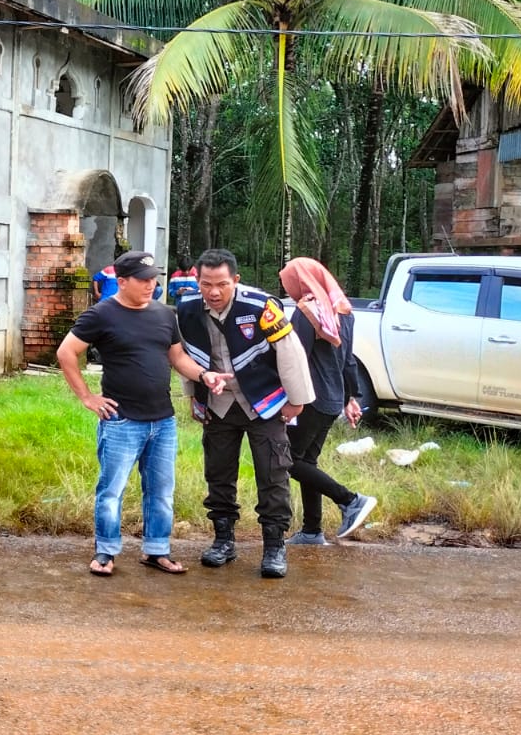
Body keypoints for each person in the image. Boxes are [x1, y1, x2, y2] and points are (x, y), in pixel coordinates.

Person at [59, 251, 226, 578]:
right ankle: (105, 552)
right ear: (121, 282)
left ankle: (157, 550)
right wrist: (88, 397)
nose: (151, 284)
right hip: (121, 421)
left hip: (162, 421)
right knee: (112, 491)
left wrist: (205, 375)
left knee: (162, 491)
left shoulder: (165, 315)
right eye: (143, 279)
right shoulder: (101, 314)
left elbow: (178, 359)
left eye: (153, 278)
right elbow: (66, 352)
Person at [177, 248, 314, 580]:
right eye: (206, 283)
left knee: (273, 472)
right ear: (197, 280)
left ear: (234, 280)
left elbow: (290, 351)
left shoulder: (261, 305)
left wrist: (296, 400)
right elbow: (185, 353)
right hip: (218, 402)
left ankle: (273, 547)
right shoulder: (187, 308)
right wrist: (194, 398)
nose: (213, 292)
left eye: (221, 284)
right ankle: (223, 540)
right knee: (219, 472)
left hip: (263, 402)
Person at [278, 258, 378, 544]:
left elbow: (295, 359)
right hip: (332, 400)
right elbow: (347, 361)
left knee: (287, 461)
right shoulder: (343, 310)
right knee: (307, 462)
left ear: (302, 281)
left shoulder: (307, 310)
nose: (287, 287)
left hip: (309, 399)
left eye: (288, 281)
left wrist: (285, 398)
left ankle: (350, 500)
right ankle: (311, 530)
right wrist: (349, 398)